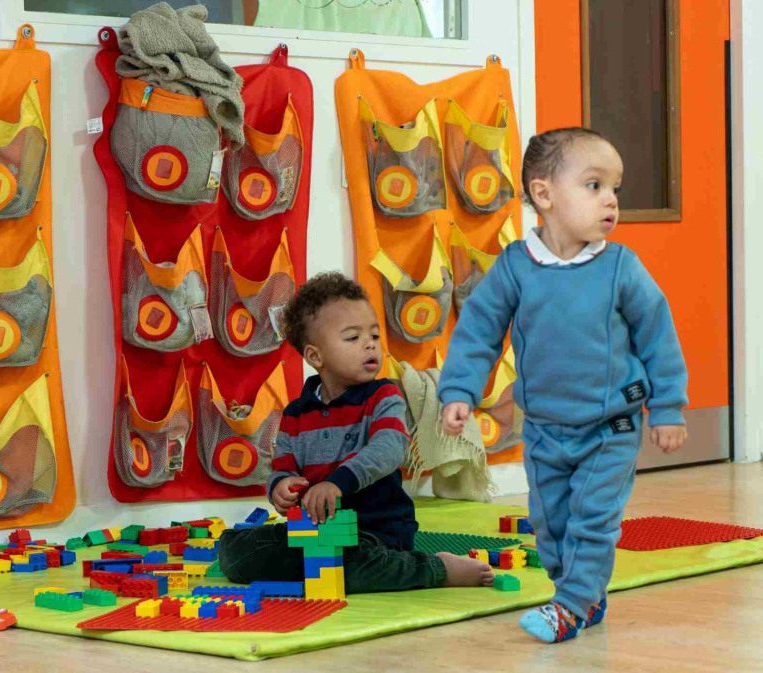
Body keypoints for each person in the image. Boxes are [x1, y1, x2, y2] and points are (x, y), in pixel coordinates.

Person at [439, 127, 689, 642]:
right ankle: (580, 592)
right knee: (551, 525)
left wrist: (667, 407)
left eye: (615, 188)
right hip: (545, 430)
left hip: (610, 428)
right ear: (544, 195)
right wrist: (459, 390)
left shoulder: (621, 267)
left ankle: (570, 605)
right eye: (594, 186)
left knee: (592, 520)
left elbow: (658, 336)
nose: (611, 201)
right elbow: (479, 329)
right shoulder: (516, 267)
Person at [218, 272, 494, 591]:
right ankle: (314, 568)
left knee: (354, 566)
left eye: (374, 336)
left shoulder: (384, 396)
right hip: (315, 531)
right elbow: (283, 465)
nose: (369, 344)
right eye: (352, 337)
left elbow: (391, 449)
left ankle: (436, 568)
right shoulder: (296, 413)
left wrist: (338, 483)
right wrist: (281, 487)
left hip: (374, 532)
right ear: (315, 356)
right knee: (235, 551)